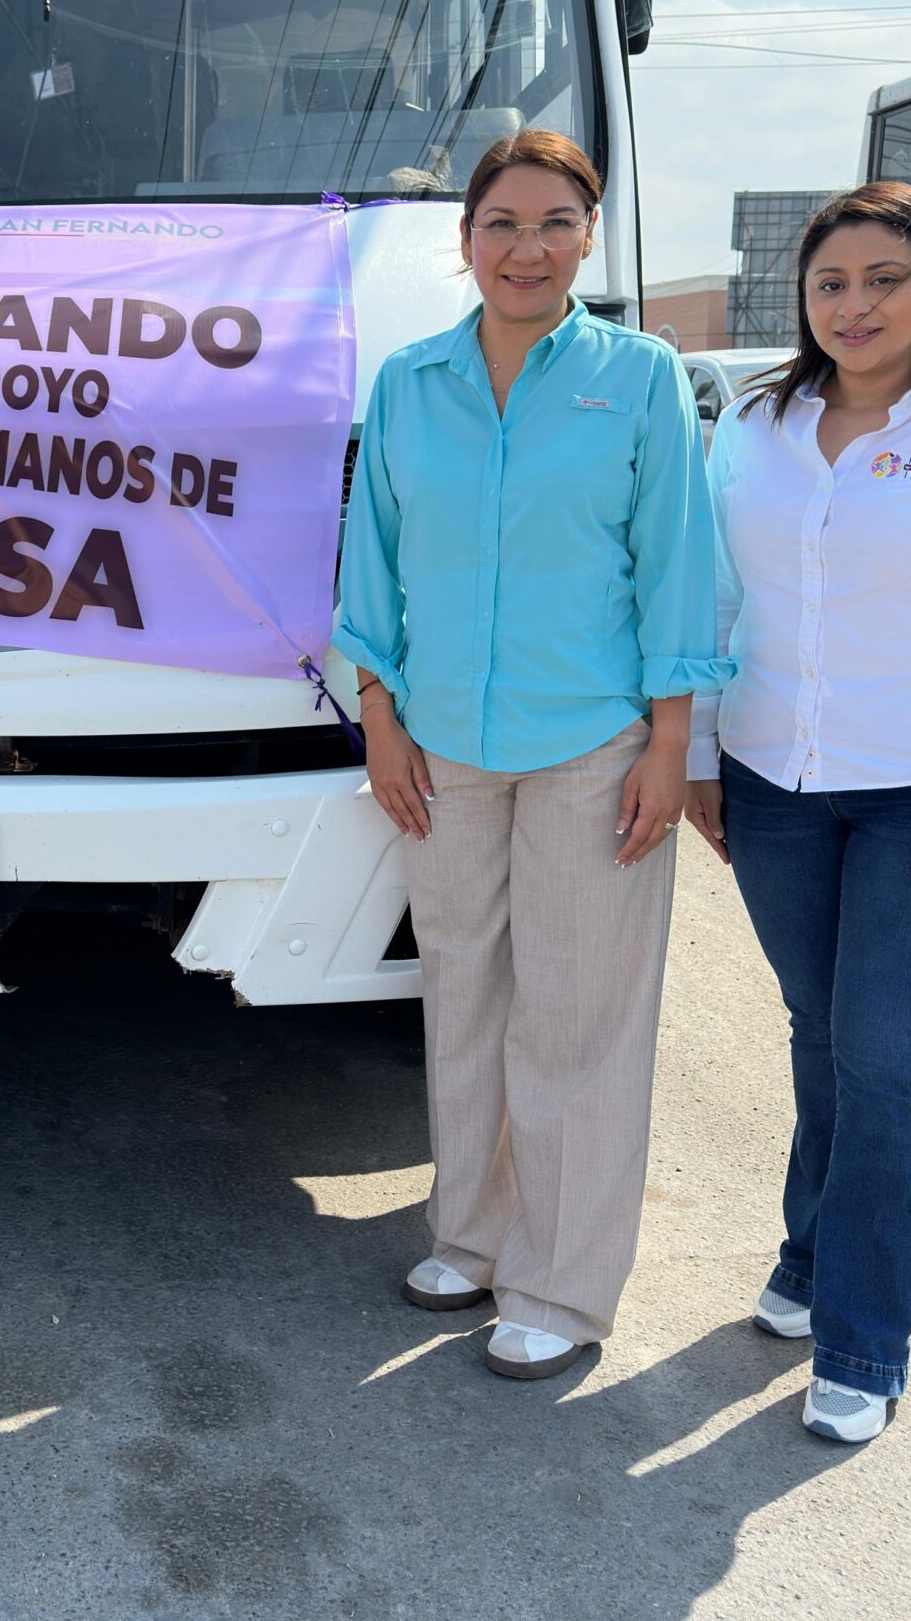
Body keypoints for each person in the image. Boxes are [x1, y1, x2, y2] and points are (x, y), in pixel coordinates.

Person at [335, 130, 726, 1380]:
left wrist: (671, 743)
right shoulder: (409, 383)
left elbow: (677, 564)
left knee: (577, 1015)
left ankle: (560, 1285)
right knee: (463, 998)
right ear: (463, 241)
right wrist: (380, 716)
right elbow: (371, 559)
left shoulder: (640, 376)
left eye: (556, 222)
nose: (527, 248)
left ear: (588, 237)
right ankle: (472, 1234)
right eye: (501, 223)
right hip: (442, 741)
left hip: (592, 743)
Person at [682, 184, 911, 1444]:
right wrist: (696, 755)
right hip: (771, 787)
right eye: (830, 283)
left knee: (883, 1060)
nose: (854, 306)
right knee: (819, 1032)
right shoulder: (756, 426)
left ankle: (860, 1339)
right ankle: (808, 1256)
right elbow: (715, 601)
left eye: (884, 280)